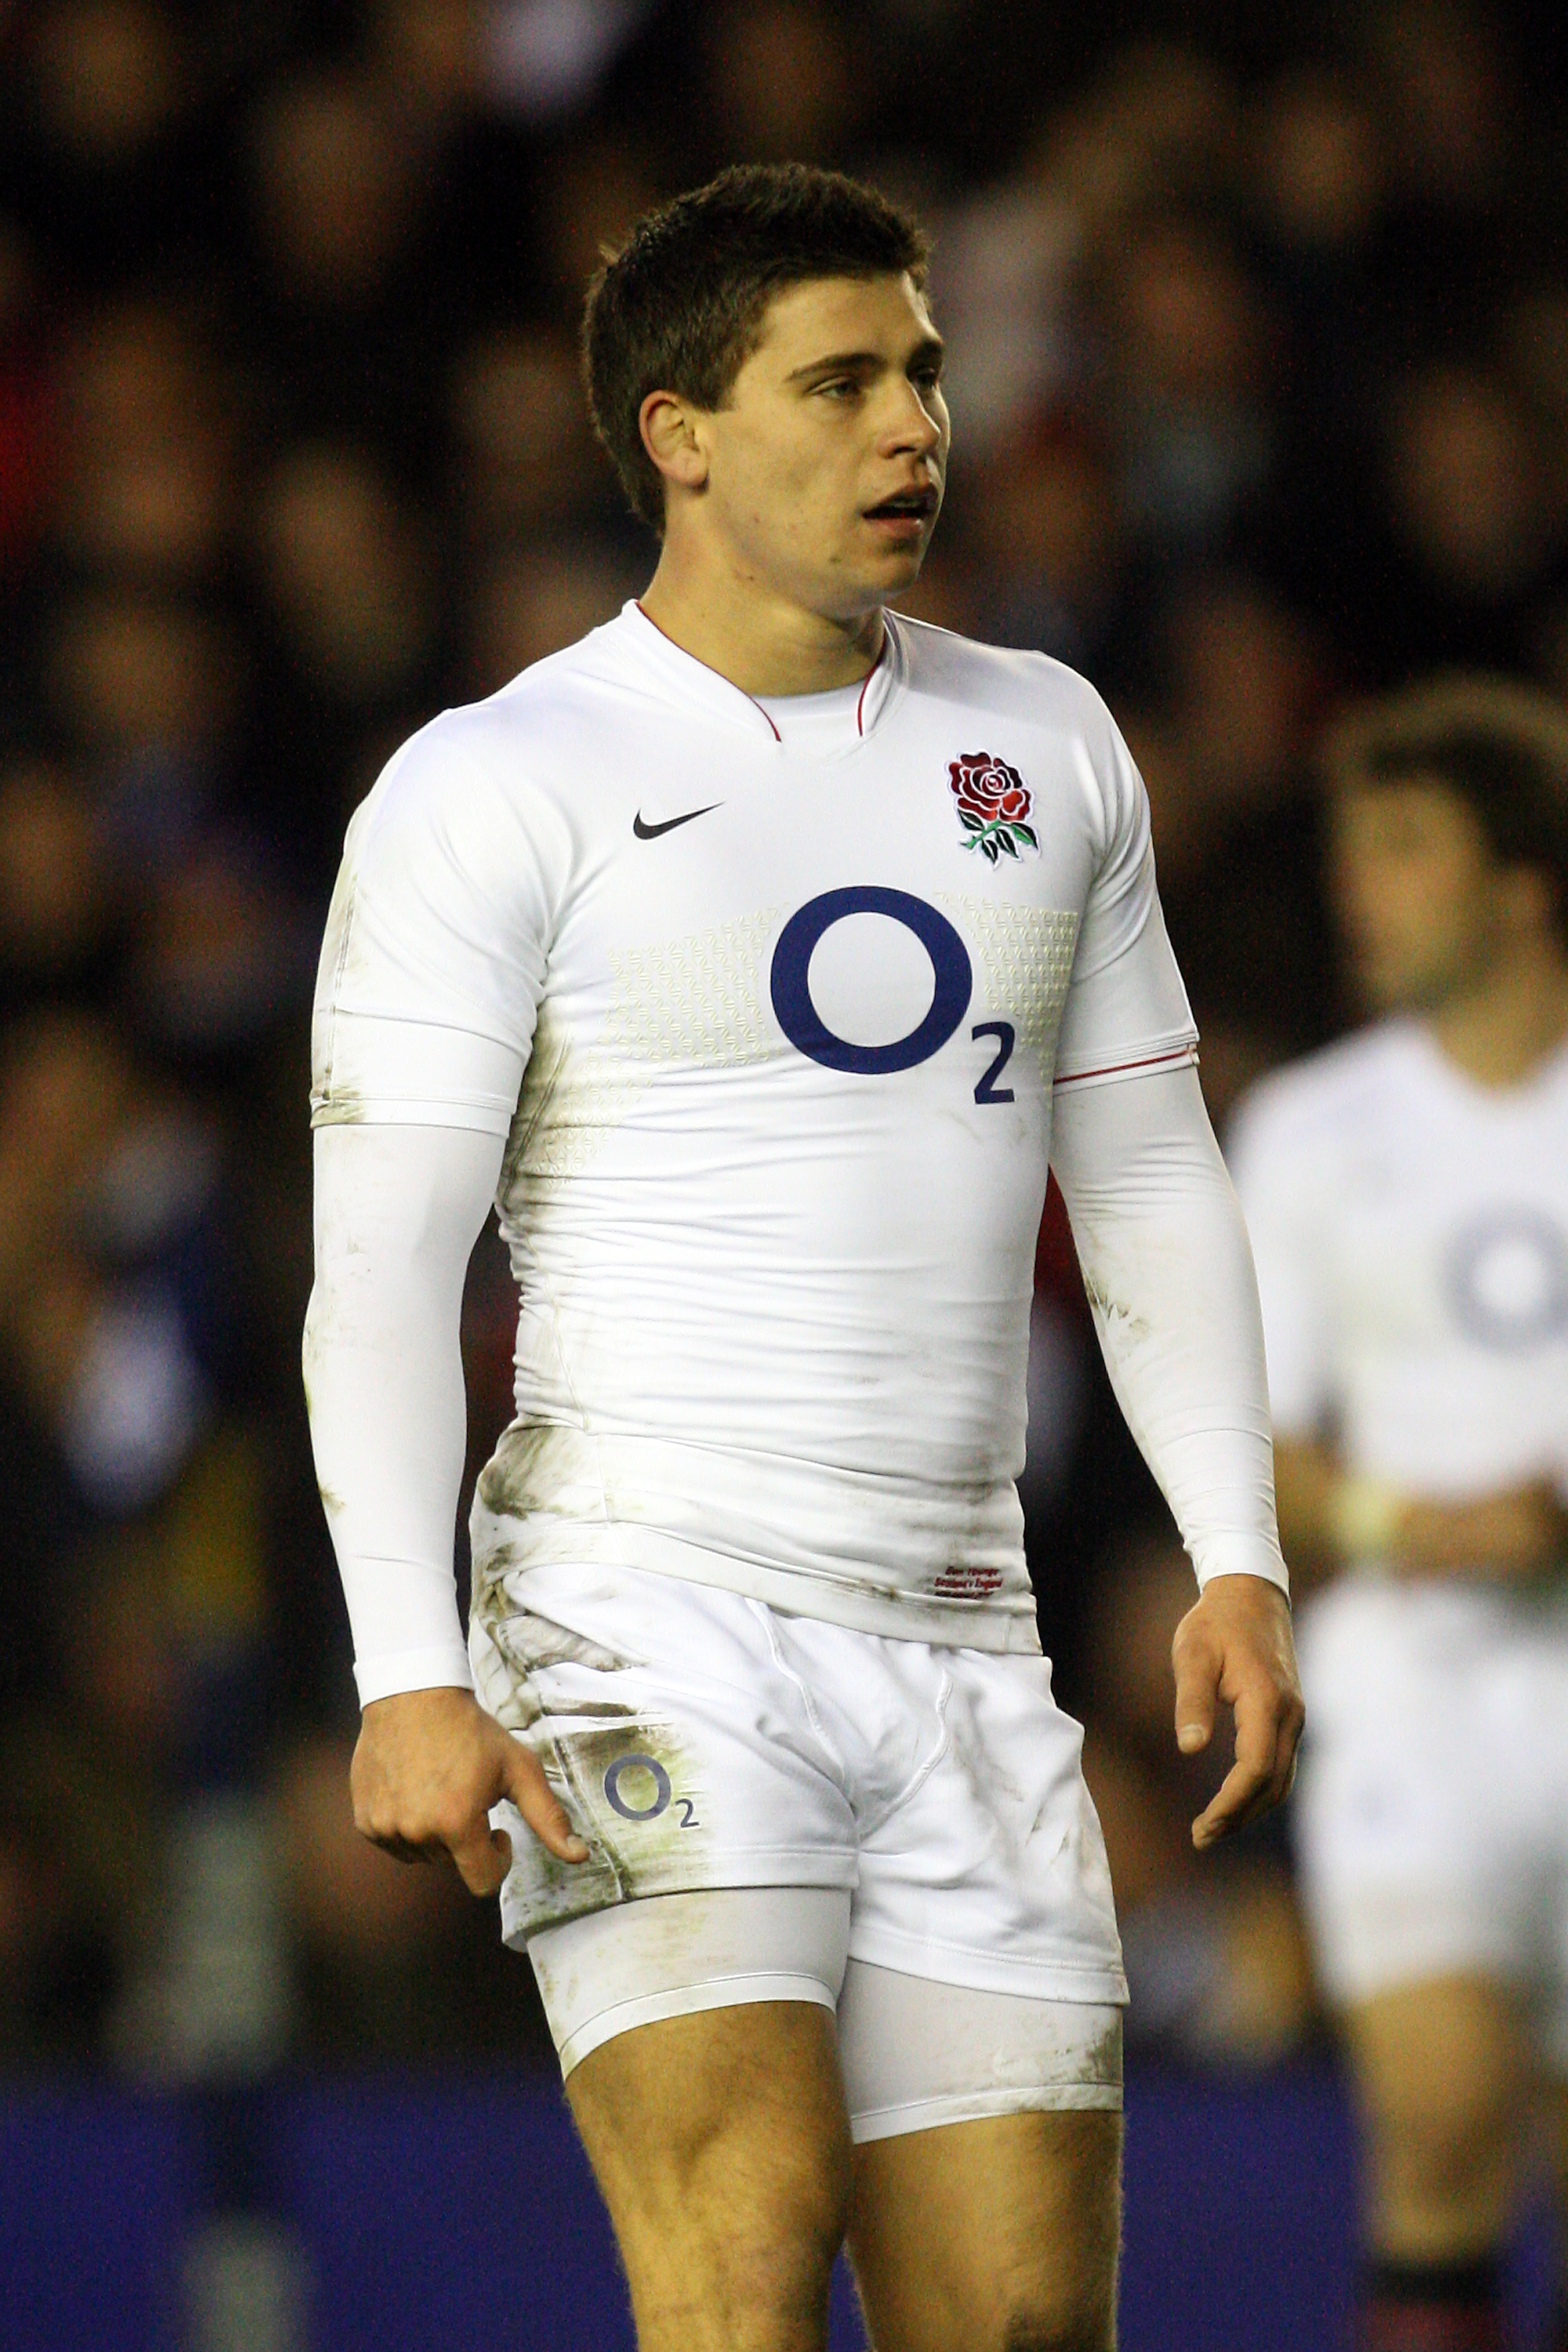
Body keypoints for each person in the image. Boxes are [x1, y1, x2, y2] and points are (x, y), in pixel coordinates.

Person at [304, 164, 1301, 2352]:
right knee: (743, 2256)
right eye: (839, 383)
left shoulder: (1041, 742)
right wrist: (406, 1667)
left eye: (924, 375)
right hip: (640, 1616)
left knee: (1024, 2327)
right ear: (679, 432)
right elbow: (379, 1261)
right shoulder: (503, 782)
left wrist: (1236, 1543)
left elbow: (1142, 1174)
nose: (912, 428)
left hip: (962, 1645)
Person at [1229, 677, 1568, 2352]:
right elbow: (1255, 1447)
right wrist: (1413, 1526)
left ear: (1521, 883)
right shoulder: (1309, 1132)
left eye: (1406, 848)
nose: (1363, 889)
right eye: (1352, 853)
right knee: (1437, 2131)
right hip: (1416, 1695)